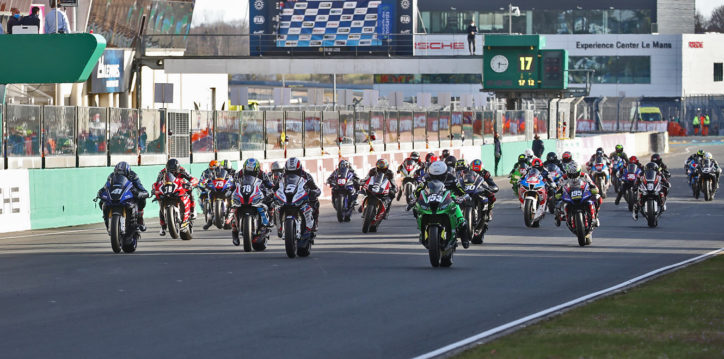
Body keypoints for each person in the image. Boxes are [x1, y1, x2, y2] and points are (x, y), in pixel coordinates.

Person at [410, 161, 470, 248]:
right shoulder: (426, 178)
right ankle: (421, 231)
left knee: (462, 222)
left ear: (445, 174)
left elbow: (462, 191)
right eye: (433, 176)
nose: (436, 178)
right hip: (431, 198)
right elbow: (417, 190)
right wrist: (413, 198)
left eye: (439, 177)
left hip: (449, 199)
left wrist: (463, 197)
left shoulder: (452, 178)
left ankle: (464, 238)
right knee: (416, 209)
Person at [229, 158, 275, 246]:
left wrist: (272, 189)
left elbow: (269, 184)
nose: (249, 174)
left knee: (270, 201)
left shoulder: (262, 174)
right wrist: (230, 190)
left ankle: (268, 222)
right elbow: (233, 183)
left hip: (258, 193)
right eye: (247, 171)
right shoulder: (240, 173)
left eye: (252, 172)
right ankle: (234, 232)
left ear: (257, 169)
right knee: (234, 206)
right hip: (244, 193)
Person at [98, 162, 149, 232]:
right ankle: (106, 218)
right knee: (102, 202)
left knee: (142, 199)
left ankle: (140, 219)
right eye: (118, 173)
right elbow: (106, 186)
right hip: (116, 194)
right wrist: (101, 191)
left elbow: (140, 187)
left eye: (122, 173)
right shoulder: (111, 176)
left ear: (127, 172)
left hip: (129, 195)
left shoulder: (133, 175)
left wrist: (140, 193)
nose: (120, 174)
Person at [156, 159, 197, 236]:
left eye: (174, 171)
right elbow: (158, 182)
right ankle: (163, 226)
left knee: (190, 191)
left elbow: (191, 178)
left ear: (178, 168)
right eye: (171, 171)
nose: (173, 173)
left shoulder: (183, 170)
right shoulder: (162, 172)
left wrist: (191, 183)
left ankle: (192, 210)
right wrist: (155, 189)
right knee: (161, 202)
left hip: (180, 187)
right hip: (168, 190)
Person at [280, 157, 322, 233]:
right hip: (287, 198)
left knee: (315, 201)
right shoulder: (282, 176)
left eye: (295, 172)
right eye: (289, 172)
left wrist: (313, 192)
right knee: (275, 204)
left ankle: (315, 222)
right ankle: (279, 226)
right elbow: (275, 187)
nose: (292, 174)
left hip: (301, 197)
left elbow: (315, 188)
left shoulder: (306, 175)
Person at [199, 160, 220, 230]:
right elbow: (201, 180)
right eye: (211, 168)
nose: (212, 170)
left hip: (216, 189)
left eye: (214, 168)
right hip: (207, 188)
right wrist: (202, 184)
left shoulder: (220, 172)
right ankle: (208, 215)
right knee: (200, 196)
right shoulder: (205, 172)